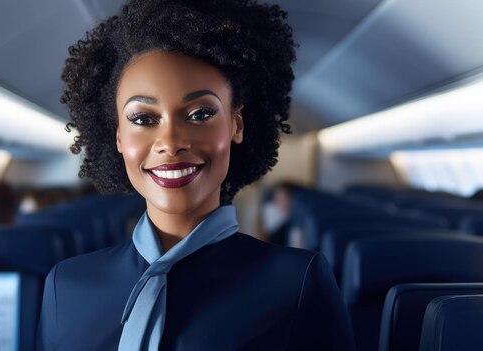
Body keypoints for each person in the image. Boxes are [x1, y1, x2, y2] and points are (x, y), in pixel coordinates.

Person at [38, 0, 356, 350]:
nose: (171, 143)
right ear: (117, 136)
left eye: (200, 113)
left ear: (236, 124)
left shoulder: (297, 283)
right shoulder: (65, 287)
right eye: (143, 119)